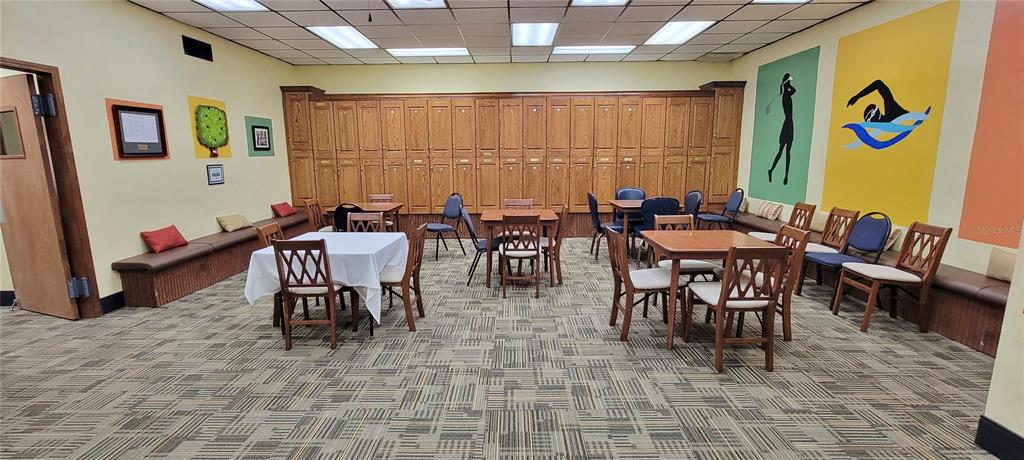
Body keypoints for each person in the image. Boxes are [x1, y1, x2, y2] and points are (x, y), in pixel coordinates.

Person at [768, 73, 796, 185]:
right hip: (787, 125)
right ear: (786, 83)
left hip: (790, 124)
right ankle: (771, 170)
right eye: (789, 81)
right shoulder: (786, 96)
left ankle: (786, 175)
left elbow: (793, 90)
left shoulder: (787, 94)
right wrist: (785, 85)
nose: (790, 83)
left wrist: (785, 84)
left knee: (788, 152)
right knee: (781, 152)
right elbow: (793, 90)